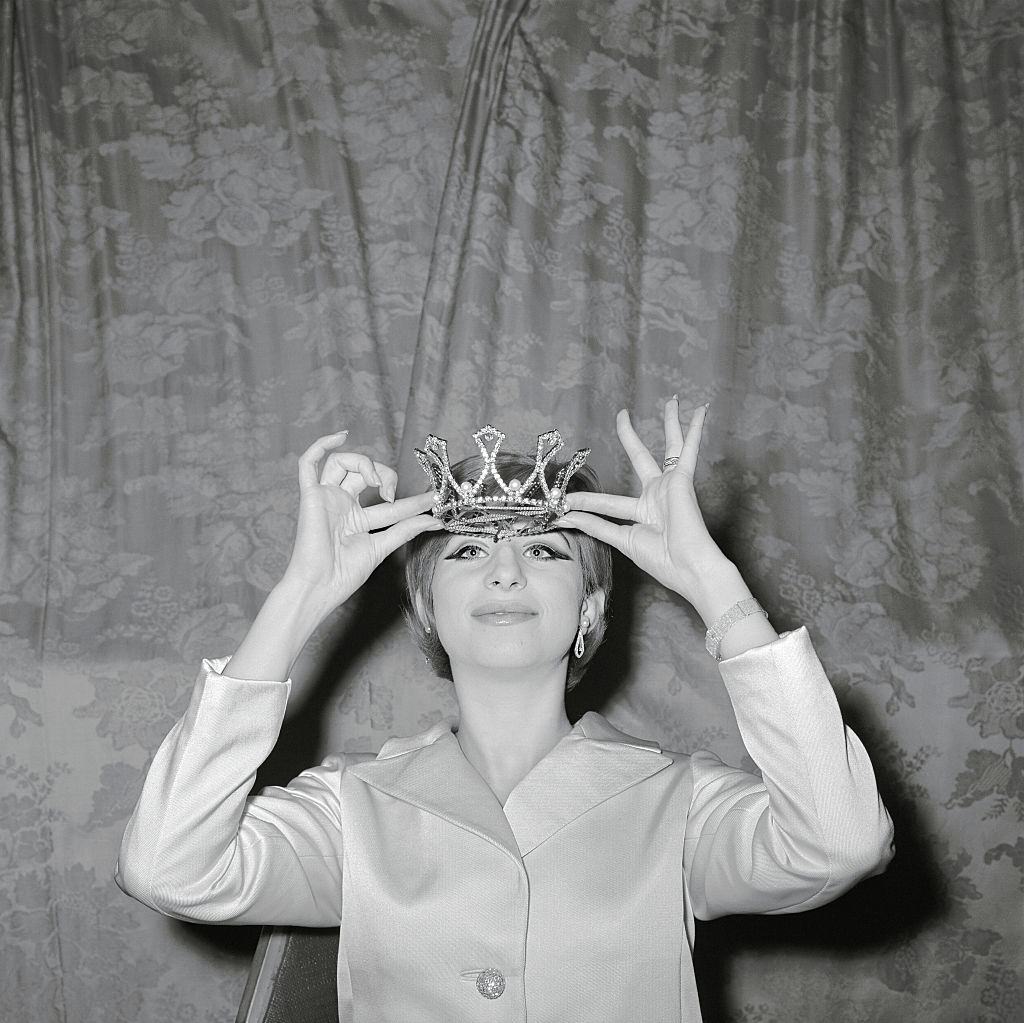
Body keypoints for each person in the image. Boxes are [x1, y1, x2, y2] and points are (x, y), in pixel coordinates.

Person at [116, 398, 894, 1022]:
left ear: (590, 611)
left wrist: (713, 582)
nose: (506, 571)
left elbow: (840, 842)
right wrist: (299, 599)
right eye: (466, 550)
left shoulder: (680, 803)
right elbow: (169, 866)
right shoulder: (346, 808)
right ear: (425, 607)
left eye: (547, 550)